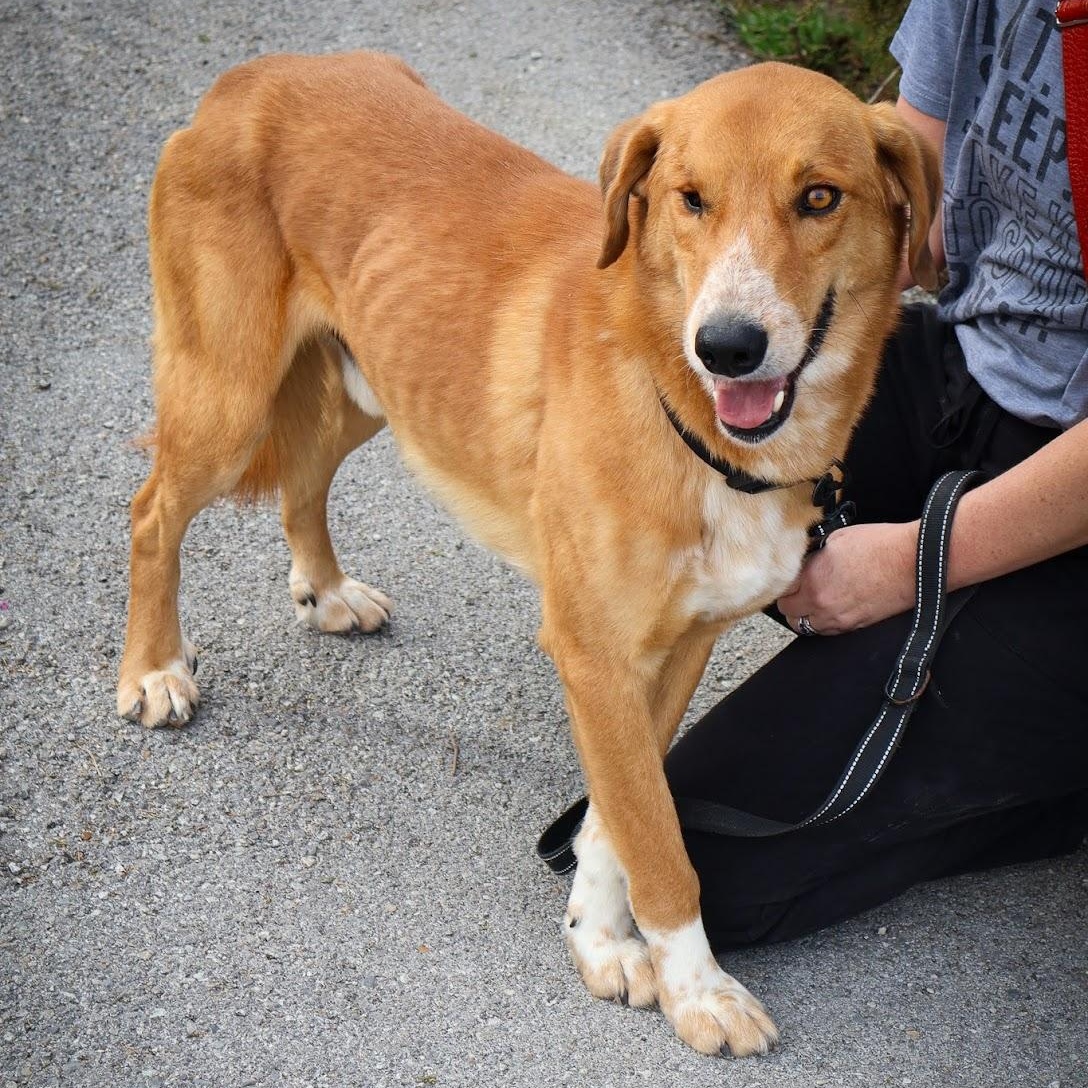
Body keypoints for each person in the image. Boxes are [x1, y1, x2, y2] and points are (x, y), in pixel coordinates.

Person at [663, 0, 1088, 948]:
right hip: (964, 367)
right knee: (689, 459)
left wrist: (909, 565)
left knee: (693, 866)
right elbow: (904, 227)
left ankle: (1041, 764)